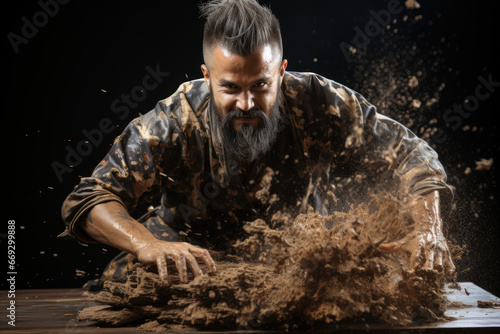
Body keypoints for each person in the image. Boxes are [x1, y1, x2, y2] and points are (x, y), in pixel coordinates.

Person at [59, 0, 456, 286]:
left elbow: (413, 154)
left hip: (296, 260)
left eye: (261, 85)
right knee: (134, 280)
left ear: (281, 71)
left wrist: (429, 229)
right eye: (229, 87)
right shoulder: (173, 120)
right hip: (191, 265)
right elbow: (89, 198)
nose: (246, 104)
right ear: (206, 74)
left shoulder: (320, 101)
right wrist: (146, 245)